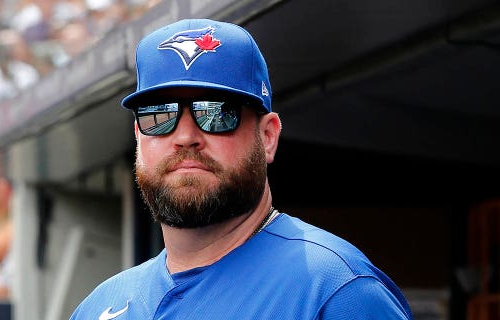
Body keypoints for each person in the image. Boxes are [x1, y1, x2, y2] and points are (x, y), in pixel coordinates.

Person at [69, 19, 413, 319]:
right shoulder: (100, 305)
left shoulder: (335, 291)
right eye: (159, 115)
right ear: (138, 136)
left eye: (216, 113)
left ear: (267, 136)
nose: (186, 136)